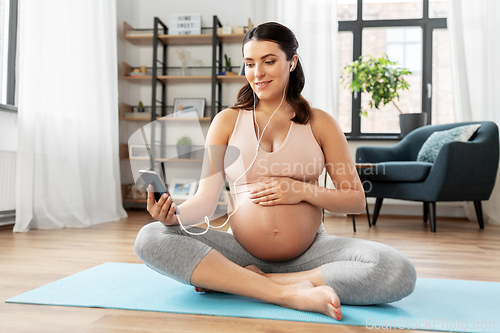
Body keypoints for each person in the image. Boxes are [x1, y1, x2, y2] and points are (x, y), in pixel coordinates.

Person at [134, 22, 416, 320]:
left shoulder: (320, 123)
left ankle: (247, 282)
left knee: (396, 269)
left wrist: (302, 190)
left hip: (311, 254)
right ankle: (288, 293)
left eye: (269, 61)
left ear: (291, 62)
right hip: (239, 251)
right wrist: (174, 215)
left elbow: (355, 200)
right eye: (250, 63)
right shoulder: (226, 121)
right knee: (151, 236)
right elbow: (205, 200)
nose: (258, 73)